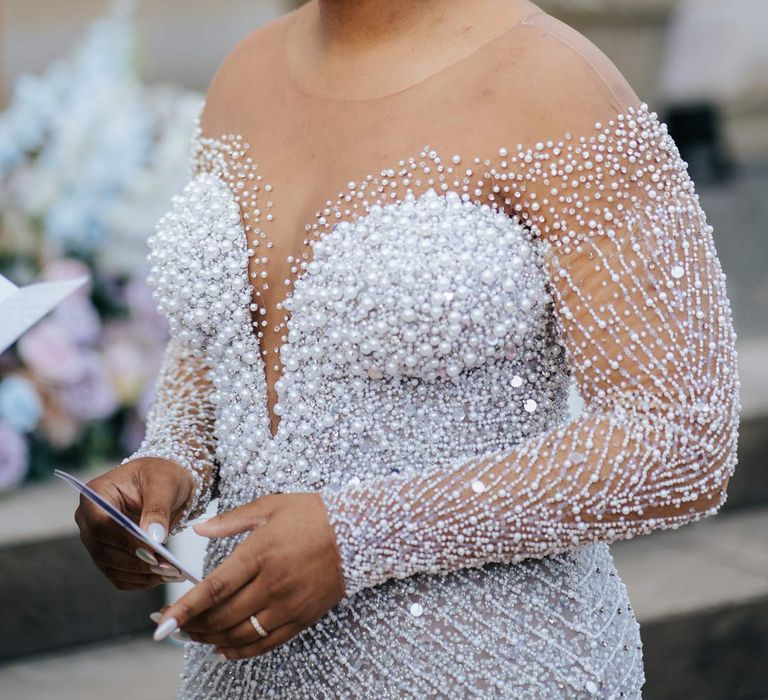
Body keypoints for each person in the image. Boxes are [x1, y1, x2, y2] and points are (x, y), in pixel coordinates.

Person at [73, 0, 741, 697]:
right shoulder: (247, 69)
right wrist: (169, 462)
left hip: (485, 662)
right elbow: (221, 340)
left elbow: (680, 438)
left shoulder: (556, 81)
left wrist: (360, 534)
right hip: (244, 670)